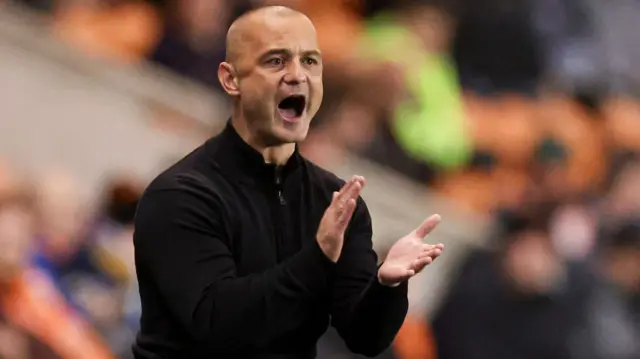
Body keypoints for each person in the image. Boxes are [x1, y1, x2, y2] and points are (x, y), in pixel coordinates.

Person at [132, 5, 444, 359]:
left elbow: (364, 338)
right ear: (232, 79)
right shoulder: (184, 192)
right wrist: (317, 258)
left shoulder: (341, 205)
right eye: (275, 63)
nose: (296, 78)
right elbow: (214, 320)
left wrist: (387, 284)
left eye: (309, 63)